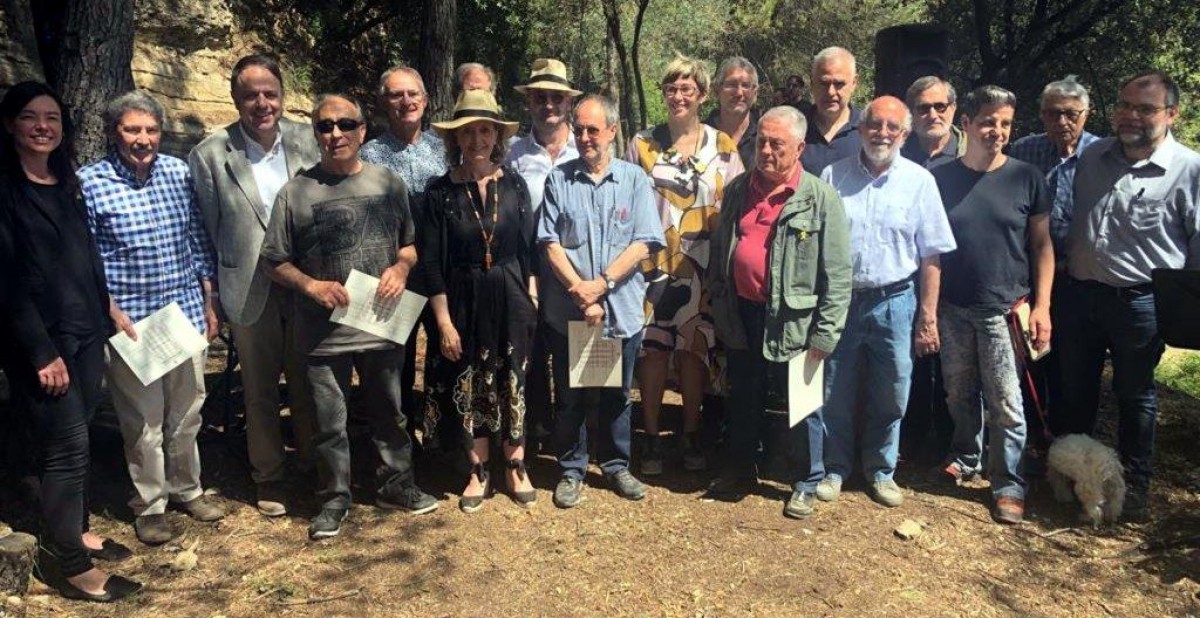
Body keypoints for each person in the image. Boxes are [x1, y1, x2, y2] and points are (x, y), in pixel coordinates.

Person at [261, 93, 438, 540]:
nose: (335, 133)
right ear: (315, 133)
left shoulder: (388, 183)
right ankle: (334, 498)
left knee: (391, 412)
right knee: (329, 422)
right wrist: (311, 286)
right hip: (324, 333)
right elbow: (274, 261)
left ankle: (396, 485)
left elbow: (410, 246)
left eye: (345, 124)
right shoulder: (296, 192)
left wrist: (400, 268)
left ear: (362, 130)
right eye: (325, 126)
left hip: (381, 323)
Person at [0, 82, 142, 602]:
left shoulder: (65, 183)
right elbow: (7, 283)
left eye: (52, 118)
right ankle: (74, 568)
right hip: (42, 342)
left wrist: (106, 305)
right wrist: (40, 352)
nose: (44, 126)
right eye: (32, 117)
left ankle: (75, 527)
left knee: (78, 433)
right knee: (67, 447)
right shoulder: (6, 191)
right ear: (11, 125)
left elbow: (84, 255)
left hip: (85, 332)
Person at [80, 90, 226, 546]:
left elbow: (197, 238)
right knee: (143, 421)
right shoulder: (90, 182)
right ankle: (150, 504)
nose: (143, 139)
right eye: (132, 129)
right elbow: (83, 258)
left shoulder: (178, 173)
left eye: (151, 130)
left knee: (187, 410)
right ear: (113, 133)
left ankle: (187, 489)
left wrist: (208, 299)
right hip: (132, 322)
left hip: (181, 313)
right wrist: (108, 309)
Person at [1059, 70, 1200, 521]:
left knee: (1134, 397)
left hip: (1141, 305)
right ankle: (1073, 481)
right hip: (1081, 296)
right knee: (1075, 391)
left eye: (1145, 108)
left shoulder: (1189, 170)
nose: (1131, 116)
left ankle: (1133, 490)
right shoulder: (1093, 155)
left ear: (1171, 114)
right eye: (1124, 105)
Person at [188, 54, 320, 517]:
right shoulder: (210, 154)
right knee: (259, 389)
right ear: (235, 99)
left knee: (309, 380)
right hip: (247, 287)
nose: (261, 103)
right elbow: (205, 229)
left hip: (305, 285)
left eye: (270, 94)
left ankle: (312, 464)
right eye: (250, 95)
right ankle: (270, 476)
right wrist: (212, 296)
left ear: (282, 96)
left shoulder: (309, 139)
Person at [705, 105, 851, 519]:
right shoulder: (737, 191)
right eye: (762, 142)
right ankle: (739, 471)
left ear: (800, 147)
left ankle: (806, 480)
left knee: (802, 405)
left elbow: (838, 275)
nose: (766, 151)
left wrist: (825, 334)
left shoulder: (821, 200)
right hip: (743, 314)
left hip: (796, 322)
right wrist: (720, 300)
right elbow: (721, 255)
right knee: (743, 398)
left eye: (777, 144)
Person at [816, 96, 956, 507]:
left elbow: (932, 255)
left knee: (892, 391)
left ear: (904, 134)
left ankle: (881, 470)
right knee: (834, 389)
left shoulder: (919, 182)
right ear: (859, 129)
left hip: (896, 301)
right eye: (874, 125)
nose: (882, 133)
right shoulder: (832, 175)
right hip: (842, 300)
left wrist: (927, 316)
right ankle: (834, 468)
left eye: (892, 127)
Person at [931, 85, 1054, 525]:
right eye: (987, 121)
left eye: (1004, 123)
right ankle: (966, 455)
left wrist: (1042, 307)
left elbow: (1042, 246)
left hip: (1005, 309)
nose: (996, 131)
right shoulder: (941, 177)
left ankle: (1008, 482)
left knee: (1006, 401)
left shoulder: (1027, 177)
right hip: (952, 307)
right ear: (965, 123)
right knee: (958, 391)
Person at [539, 95, 665, 508]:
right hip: (571, 309)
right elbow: (550, 243)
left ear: (613, 130)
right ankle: (572, 469)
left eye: (594, 129)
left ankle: (615, 464)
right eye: (579, 129)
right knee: (572, 394)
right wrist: (581, 290)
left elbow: (644, 241)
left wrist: (602, 285)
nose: (585, 137)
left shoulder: (634, 179)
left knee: (615, 394)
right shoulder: (559, 180)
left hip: (620, 310)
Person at [626, 55, 744, 476]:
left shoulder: (724, 146)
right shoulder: (642, 144)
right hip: (651, 267)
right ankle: (653, 438)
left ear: (702, 95)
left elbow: (736, 208)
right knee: (653, 351)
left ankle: (691, 434)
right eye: (671, 88)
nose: (678, 96)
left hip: (704, 267)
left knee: (695, 352)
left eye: (687, 89)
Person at [422, 90, 539, 512]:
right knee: (470, 382)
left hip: (509, 295)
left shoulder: (515, 185)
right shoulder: (438, 193)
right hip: (461, 297)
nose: (477, 140)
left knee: (512, 378)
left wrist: (532, 300)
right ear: (456, 138)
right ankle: (478, 469)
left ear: (497, 136)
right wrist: (443, 321)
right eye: (468, 132)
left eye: (485, 130)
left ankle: (516, 463)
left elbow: (528, 251)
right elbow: (431, 262)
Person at [1008, 75, 1101, 456]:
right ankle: (1035, 439)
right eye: (1052, 113)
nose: (1061, 122)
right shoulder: (1024, 150)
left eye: (1070, 114)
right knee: (1032, 360)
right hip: (1030, 276)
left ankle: (1073, 443)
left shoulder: (1103, 154)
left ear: (1086, 114)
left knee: (1076, 365)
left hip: (1082, 278)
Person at [360, 65, 448, 446]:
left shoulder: (446, 149)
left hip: (442, 271)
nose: (406, 101)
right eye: (396, 95)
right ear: (383, 103)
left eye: (413, 94)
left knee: (445, 356)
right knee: (393, 362)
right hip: (393, 273)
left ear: (426, 102)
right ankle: (397, 444)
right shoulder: (368, 156)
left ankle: (440, 437)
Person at [505, 58, 583, 451]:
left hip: (581, 269)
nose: (548, 105)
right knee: (532, 352)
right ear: (529, 103)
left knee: (579, 351)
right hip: (530, 269)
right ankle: (536, 428)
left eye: (556, 98)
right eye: (540, 98)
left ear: (568, 102)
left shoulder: (586, 146)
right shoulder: (513, 154)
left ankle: (578, 436)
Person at [899, 75, 965, 465]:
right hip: (914, 279)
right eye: (923, 108)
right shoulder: (900, 154)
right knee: (917, 363)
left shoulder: (970, 153)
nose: (933, 114)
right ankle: (914, 438)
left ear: (954, 110)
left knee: (956, 368)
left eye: (940, 106)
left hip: (961, 279)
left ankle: (953, 441)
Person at [801, 47, 861, 175]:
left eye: (839, 84)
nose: (830, 92)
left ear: (854, 83)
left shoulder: (868, 130)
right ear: (812, 83)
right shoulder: (794, 128)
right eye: (824, 83)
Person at [705, 57, 761, 170]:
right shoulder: (699, 135)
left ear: (755, 93)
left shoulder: (765, 138)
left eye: (746, 85)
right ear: (717, 90)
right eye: (731, 85)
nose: (739, 93)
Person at [901, 76, 966, 169]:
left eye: (940, 106)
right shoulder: (896, 153)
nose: (933, 116)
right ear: (911, 112)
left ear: (953, 108)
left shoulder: (974, 151)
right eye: (923, 108)